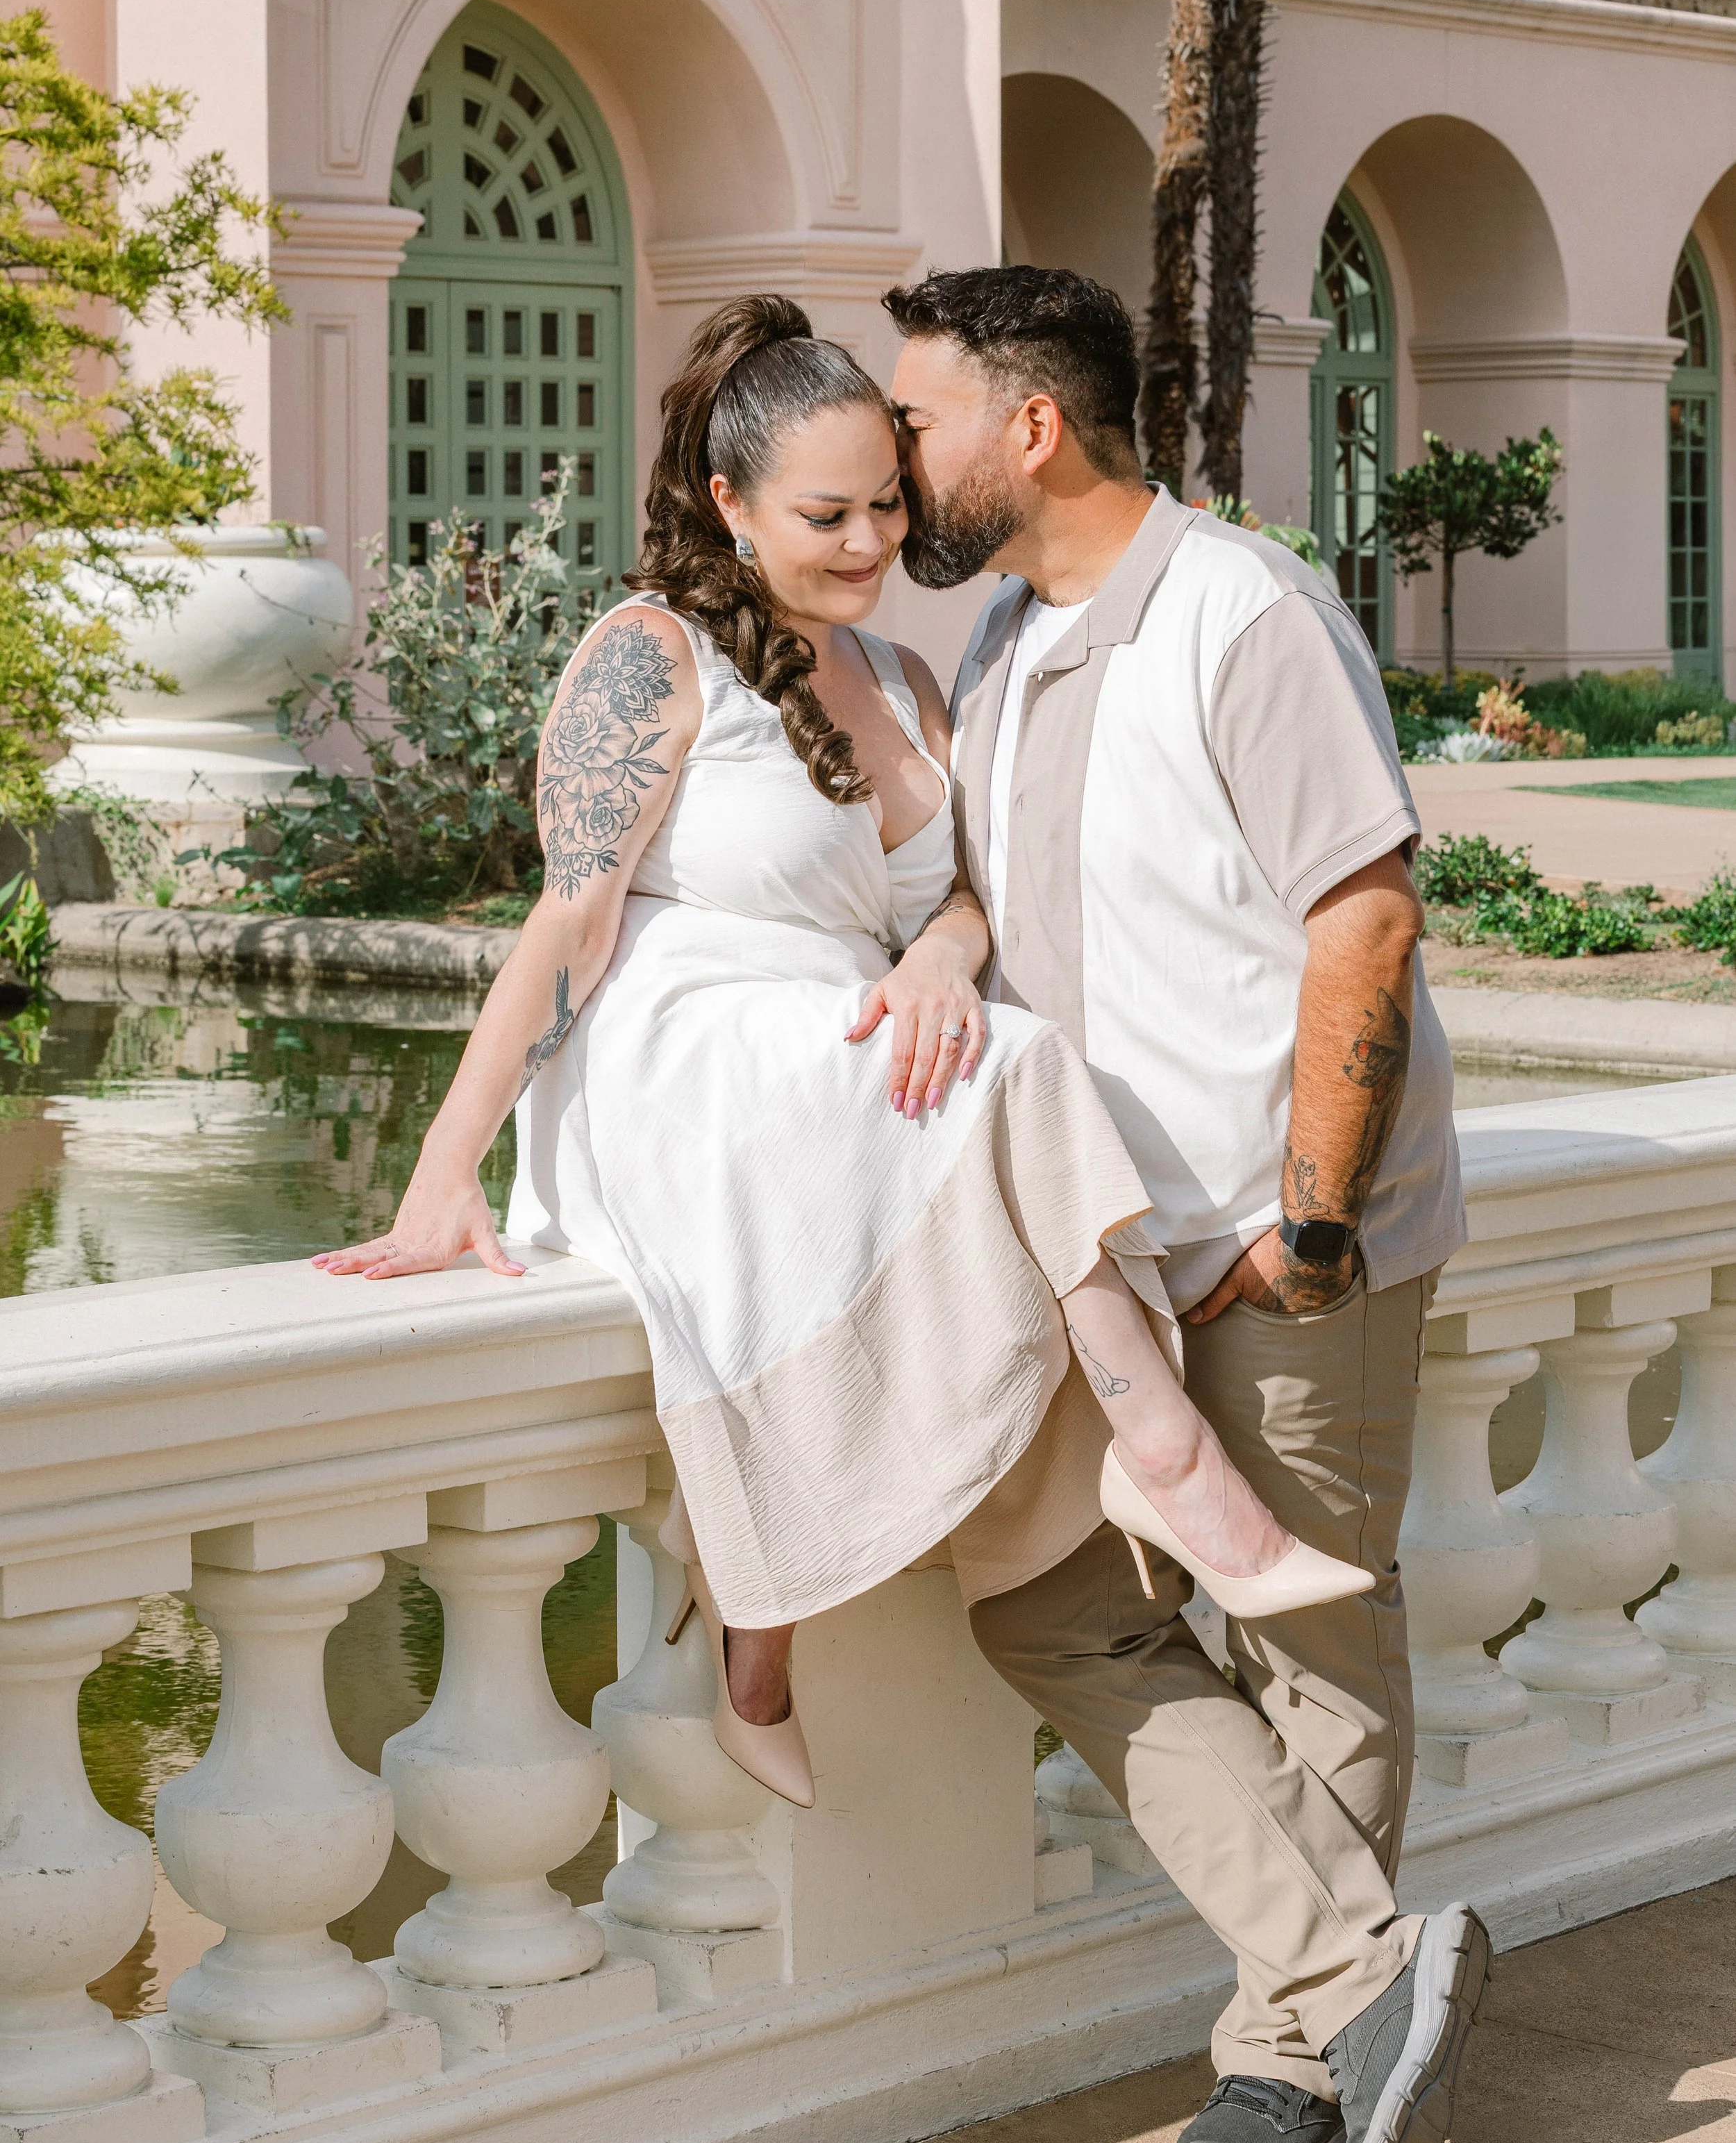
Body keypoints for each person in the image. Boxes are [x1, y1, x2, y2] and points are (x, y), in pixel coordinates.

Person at [314, 294, 1367, 1828]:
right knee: (1012, 1071)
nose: (870, 541)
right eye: (825, 514)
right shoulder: (647, 654)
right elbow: (564, 929)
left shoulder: (906, 677)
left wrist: (943, 949)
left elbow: (958, 896)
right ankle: (1169, 1455)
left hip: (847, 1046)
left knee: (992, 1058)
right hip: (682, 1047)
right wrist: (438, 1174)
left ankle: (768, 1631)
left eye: (886, 501)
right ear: (728, 504)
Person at [883, 263, 1487, 2143]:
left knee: (1313, 1638)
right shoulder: (996, 637)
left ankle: (1287, 2053)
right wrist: (945, 944)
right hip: (1114, 1260)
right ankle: (1358, 1971)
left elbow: (1365, 917)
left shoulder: (1240, 609)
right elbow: (1009, 894)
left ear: (1028, 425)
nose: (900, 458)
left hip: (1274, 1241)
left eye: (919, 420)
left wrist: (1306, 1222)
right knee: (1048, 1606)